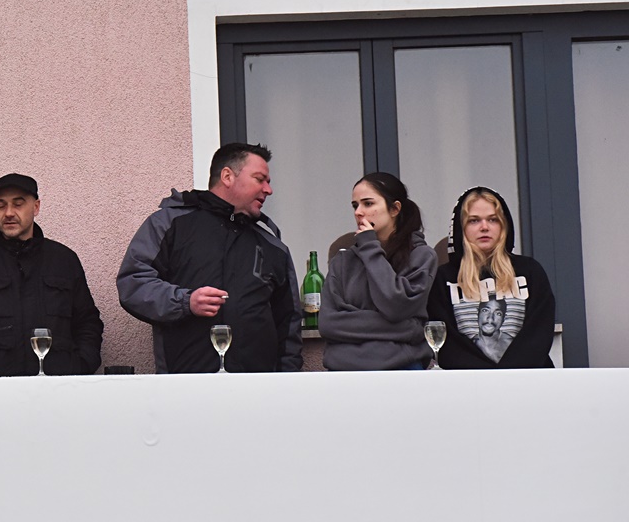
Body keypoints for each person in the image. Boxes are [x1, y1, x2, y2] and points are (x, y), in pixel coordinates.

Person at [117, 142, 301, 373]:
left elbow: (289, 323)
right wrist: (185, 302)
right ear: (227, 176)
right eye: (259, 179)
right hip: (185, 383)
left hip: (257, 386)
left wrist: (287, 380)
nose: (268, 190)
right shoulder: (170, 224)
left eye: (268, 182)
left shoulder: (274, 247)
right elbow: (133, 283)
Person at [0, 174, 104, 376]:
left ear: (36, 207)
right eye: (0, 205)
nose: (9, 213)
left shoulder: (64, 260)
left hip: (58, 385)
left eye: (18, 204)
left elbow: (88, 323)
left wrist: (79, 365)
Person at [318, 172, 436, 370]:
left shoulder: (421, 256)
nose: (358, 212)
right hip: (344, 374)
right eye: (355, 205)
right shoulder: (343, 261)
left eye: (368, 203)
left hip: (402, 372)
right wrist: (408, 328)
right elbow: (328, 323)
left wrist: (370, 247)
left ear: (395, 208)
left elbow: (395, 305)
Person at [427, 187, 556, 368]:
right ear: (461, 228)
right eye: (474, 220)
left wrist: (506, 375)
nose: (484, 227)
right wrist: (485, 377)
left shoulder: (530, 271)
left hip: (527, 378)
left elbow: (539, 333)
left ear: (503, 226)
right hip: (469, 381)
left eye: (493, 219)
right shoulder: (443, 278)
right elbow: (447, 343)